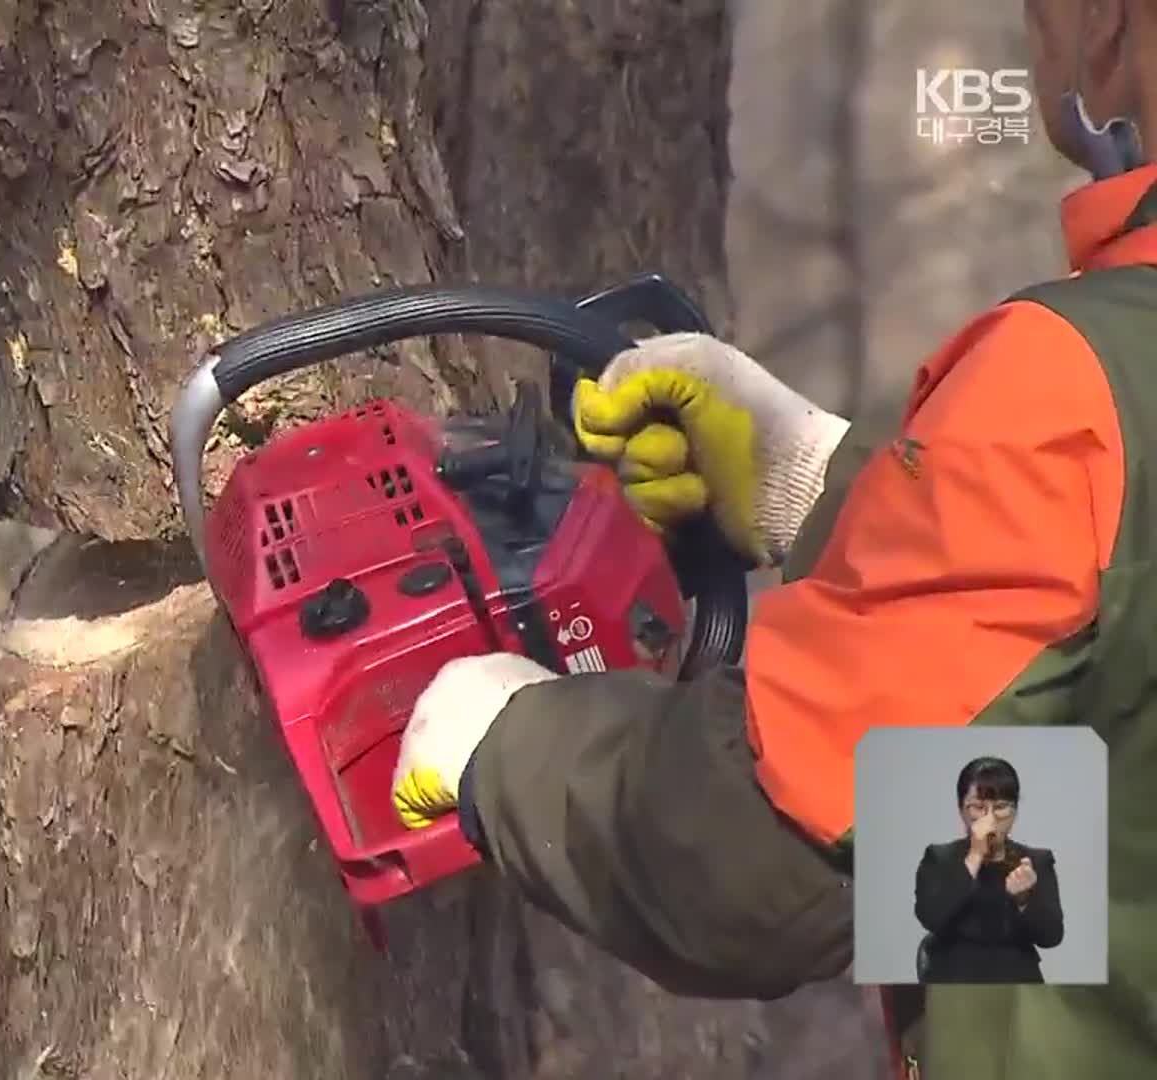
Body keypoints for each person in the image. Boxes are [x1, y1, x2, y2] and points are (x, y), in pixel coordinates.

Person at [387, 1, 1154, 1076]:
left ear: (1107, 26)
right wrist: (822, 486)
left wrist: (508, 746)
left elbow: (770, 860)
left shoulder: (1073, 393)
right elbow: (1089, 787)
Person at [913, 757, 1064, 984]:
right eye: (978, 807)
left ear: (1014, 814)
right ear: (962, 810)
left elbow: (1052, 936)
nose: (990, 819)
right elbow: (932, 918)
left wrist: (1024, 900)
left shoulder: (1034, 861)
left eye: (1001, 807)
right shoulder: (940, 858)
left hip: (1017, 977)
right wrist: (974, 856)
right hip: (955, 975)